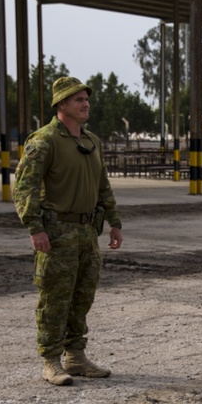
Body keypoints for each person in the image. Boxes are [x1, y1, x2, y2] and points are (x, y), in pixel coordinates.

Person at [14, 76, 124, 386]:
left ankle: (75, 357)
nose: (86, 103)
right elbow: (25, 187)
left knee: (82, 297)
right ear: (61, 104)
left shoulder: (92, 141)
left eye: (86, 98)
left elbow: (103, 185)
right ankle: (51, 361)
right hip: (57, 232)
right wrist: (35, 227)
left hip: (88, 231)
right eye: (78, 99)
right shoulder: (44, 140)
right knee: (54, 298)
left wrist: (114, 222)